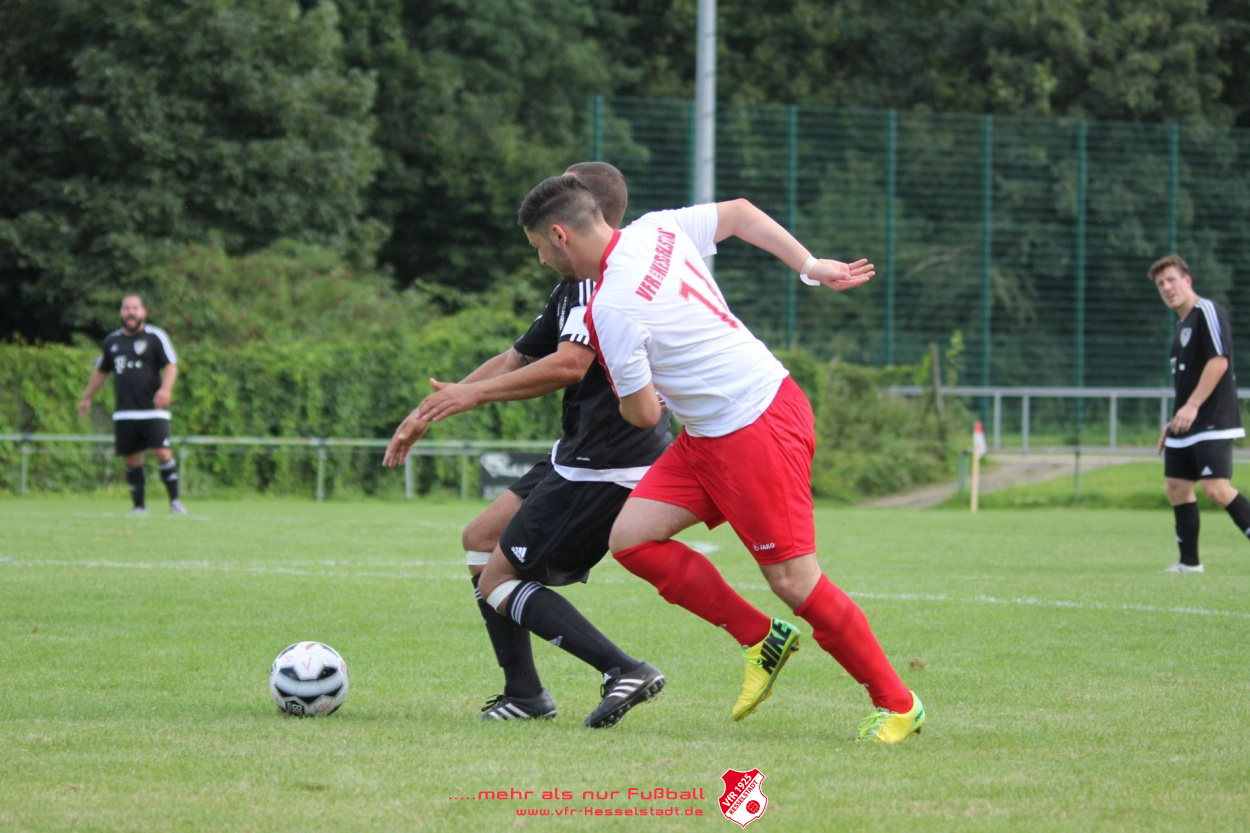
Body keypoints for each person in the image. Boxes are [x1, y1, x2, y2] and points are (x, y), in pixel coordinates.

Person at [385, 163, 798, 728]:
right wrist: (436, 405)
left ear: (574, 224)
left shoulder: (599, 284)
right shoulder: (575, 286)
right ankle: (525, 693)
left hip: (606, 462)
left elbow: (569, 365)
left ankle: (623, 669)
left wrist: (470, 396)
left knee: (500, 579)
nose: (540, 254)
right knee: (480, 538)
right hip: (579, 451)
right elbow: (517, 357)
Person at [516, 174, 926, 742]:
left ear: (560, 235)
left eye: (539, 247)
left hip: (754, 426)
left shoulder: (610, 309)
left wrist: (637, 387)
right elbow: (739, 213)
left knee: (793, 580)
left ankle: (898, 704)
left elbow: (643, 416)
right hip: (714, 431)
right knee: (632, 539)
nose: (542, 260)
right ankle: (761, 639)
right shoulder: (656, 229)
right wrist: (809, 266)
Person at [1151, 254, 1250, 573]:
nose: (1167, 288)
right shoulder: (1180, 326)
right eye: (1160, 284)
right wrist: (1174, 420)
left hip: (1213, 419)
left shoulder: (1207, 311)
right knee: (1177, 487)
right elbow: (1187, 381)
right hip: (1187, 422)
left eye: (1171, 280)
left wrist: (1193, 406)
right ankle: (1189, 563)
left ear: (1187, 280)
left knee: (1216, 488)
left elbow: (1219, 361)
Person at [78, 295, 185, 516]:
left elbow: (171, 365)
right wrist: (87, 397)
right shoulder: (112, 341)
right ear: (121, 313)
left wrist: (166, 389)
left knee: (162, 452)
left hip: (153, 409)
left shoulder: (156, 337)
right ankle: (139, 506)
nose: (131, 312)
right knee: (131, 458)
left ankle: (175, 502)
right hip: (125, 411)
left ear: (143, 312)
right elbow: (101, 372)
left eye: (135, 308)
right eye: (126, 308)